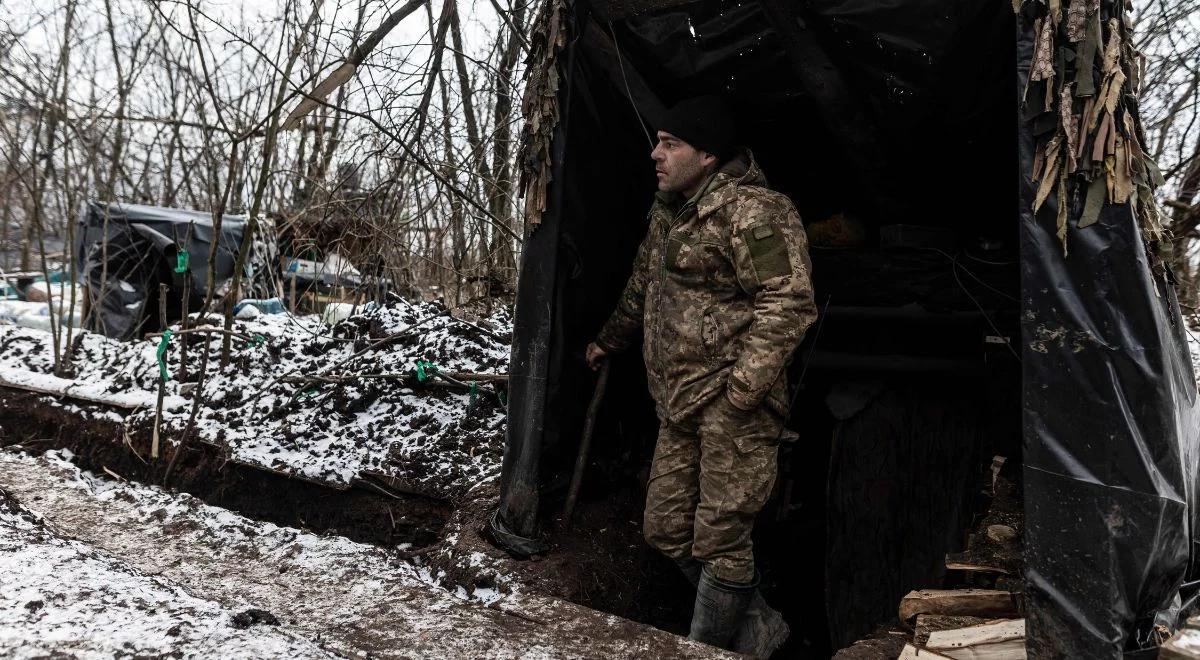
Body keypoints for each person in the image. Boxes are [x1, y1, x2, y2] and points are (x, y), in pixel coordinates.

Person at [585, 96, 817, 656]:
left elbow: (788, 303)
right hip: (678, 401)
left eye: (671, 144)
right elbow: (643, 290)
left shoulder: (754, 212)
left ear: (709, 154)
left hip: (732, 403)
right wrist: (607, 340)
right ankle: (757, 623)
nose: (655, 154)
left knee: (721, 539)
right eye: (658, 141)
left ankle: (704, 649)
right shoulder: (668, 212)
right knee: (664, 528)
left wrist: (741, 393)